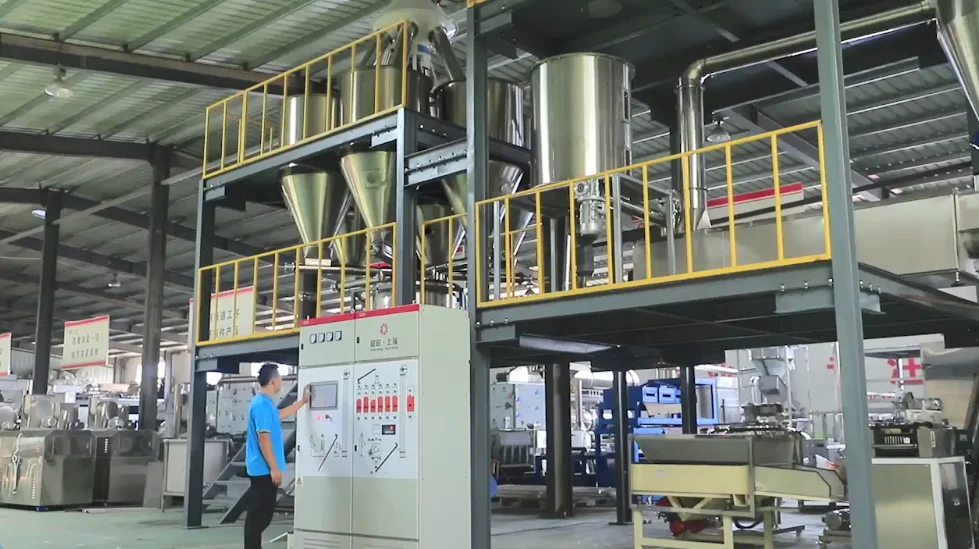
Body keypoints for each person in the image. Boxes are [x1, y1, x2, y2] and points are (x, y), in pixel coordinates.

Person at [244, 363, 310, 549]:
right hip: (263, 470)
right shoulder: (261, 405)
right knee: (258, 519)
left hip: (264, 469)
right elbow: (264, 438)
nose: (281, 381)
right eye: (280, 378)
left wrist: (303, 402)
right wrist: (274, 468)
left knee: (261, 517)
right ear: (273, 381)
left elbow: (279, 414)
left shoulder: (266, 403)